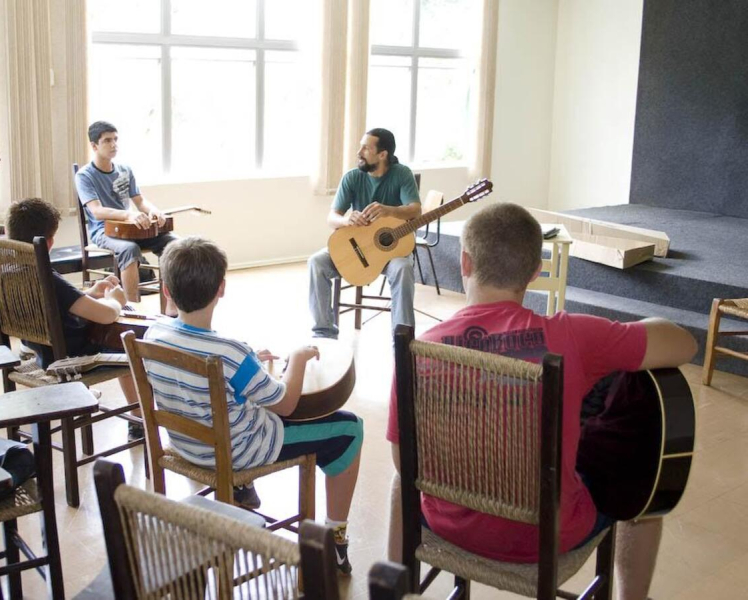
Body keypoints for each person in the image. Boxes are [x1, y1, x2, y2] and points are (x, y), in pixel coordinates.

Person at [385, 203, 697, 600]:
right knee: (640, 488)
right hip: (546, 537)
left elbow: (403, 462)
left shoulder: (419, 348)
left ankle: (392, 590)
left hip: (447, 525)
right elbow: (684, 344)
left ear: (465, 262)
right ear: (536, 271)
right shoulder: (573, 337)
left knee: (400, 479)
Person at [143, 237, 364, 574]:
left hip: (186, 445)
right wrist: (297, 359)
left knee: (243, 405)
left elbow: (205, 380)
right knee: (349, 428)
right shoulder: (230, 353)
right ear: (222, 289)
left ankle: (242, 491)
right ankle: (335, 539)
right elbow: (286, 404)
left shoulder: (153, 335)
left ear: (166, 291)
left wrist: (250, 363)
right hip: (237, 451)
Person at [4, 197, 146, 440]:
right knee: (129, 348)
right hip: (69, 356)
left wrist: (92, 293)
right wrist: (116, 299)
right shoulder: (47, 275)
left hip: (39, 350)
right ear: (49, 242)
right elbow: (106, 314)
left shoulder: (9, 271)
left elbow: (59, 304)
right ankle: (139, 420)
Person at [308, 128, 421, 339]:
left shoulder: (402, 174)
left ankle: (403, 338)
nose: (359, 152)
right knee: (317, 262)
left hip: (390, 254)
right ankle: (324, 333)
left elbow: (415, 209)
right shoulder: (352, 177)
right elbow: (331, 217)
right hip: (357, 249)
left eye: (366, 148)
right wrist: (346, 220)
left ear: (382, 154)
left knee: (404, 268)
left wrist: (390, 210)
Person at [74, 121, 175, 302]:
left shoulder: (125, 170)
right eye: (107, 140)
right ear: (94, 146)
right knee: (129, 249)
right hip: (103, 231)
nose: (113, 144)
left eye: (115, 139)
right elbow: (96, 211)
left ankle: (172, 303)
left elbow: (140, 201)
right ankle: (132, 306)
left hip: (131, 228)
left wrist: (154, 211)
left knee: (174, 244)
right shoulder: (84, 175)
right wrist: (129, 214)